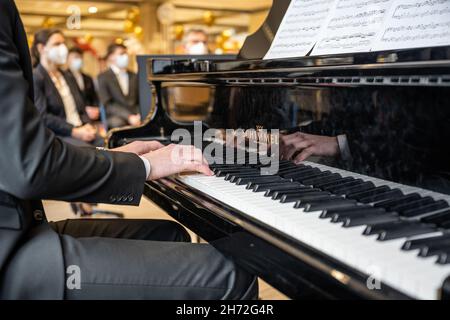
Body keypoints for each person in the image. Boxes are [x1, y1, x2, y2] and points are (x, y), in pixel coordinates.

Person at [0, 0, 257, 300]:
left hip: (20, 225)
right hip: (10, 254)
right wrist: (145, 167)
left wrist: (116, 158)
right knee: (232, 274)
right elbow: (28, 165)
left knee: (171, 236)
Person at [31, 29, 102, 147]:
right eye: (57, 44)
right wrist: (73, 131)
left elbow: (81, 107)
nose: (63, 48)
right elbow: (42, 116)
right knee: (93, 153)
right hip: (60, 134)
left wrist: (88, 125)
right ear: (41, 48)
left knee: (109, 144)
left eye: (63, 43)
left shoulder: (67, 76)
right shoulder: (37, 77)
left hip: (81, 129)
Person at [97, 43, 141, 129]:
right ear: (111, 56)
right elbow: (108, 104)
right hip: (116, 116)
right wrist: (128, 116)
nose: (125, 57)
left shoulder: (134, 76)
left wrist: (139, 114)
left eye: (126, 54)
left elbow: (139, 99)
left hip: (136, 114)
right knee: (118, 124)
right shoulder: (103, 77)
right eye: (121, 54)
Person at [66, 47, 100, 123]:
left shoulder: (88, 78)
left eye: (80, 57)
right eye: (75, 57)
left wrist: (96, 108)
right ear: (67, 59)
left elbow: (94, 97)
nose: (79, 60)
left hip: (92, 115)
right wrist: (85, 110)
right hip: (75, 115)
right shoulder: (65, 77)